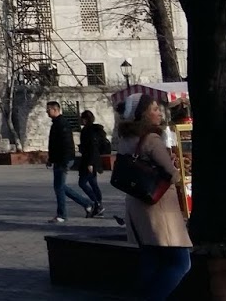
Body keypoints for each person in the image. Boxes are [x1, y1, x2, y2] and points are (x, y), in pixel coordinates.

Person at [116, 93, 191, 299]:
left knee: (151, 259)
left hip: (136, 205)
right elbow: (172, 175)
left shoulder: (125, 138)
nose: (159, 113)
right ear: (144, 114)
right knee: (181, 263)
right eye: (155, 109)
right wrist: (174, 166)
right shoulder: (152, 138)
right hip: (159, 210)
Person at [47, 101, 96, 221]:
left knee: (59, 187)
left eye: (48, 109)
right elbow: (54, 144)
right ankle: (87, 204)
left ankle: (62, 214)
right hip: (59, 159)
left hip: (63, 160)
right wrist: (51, 159)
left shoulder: (62, 124)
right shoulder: (56, 123)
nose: (47, 112)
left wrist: (64, 160)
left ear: (55, 109)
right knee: (60, 186)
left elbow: (66, 144)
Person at [76, 110, 108, 215]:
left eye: (82, 118)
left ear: (85, 119)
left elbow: (92, 147)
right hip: (94, 160)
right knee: (93, 183)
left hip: (89, 161)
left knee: (83, 183)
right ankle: (99, 206)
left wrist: (89, 163)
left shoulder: (87, 131)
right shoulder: (93, 130)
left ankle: (97, 203)